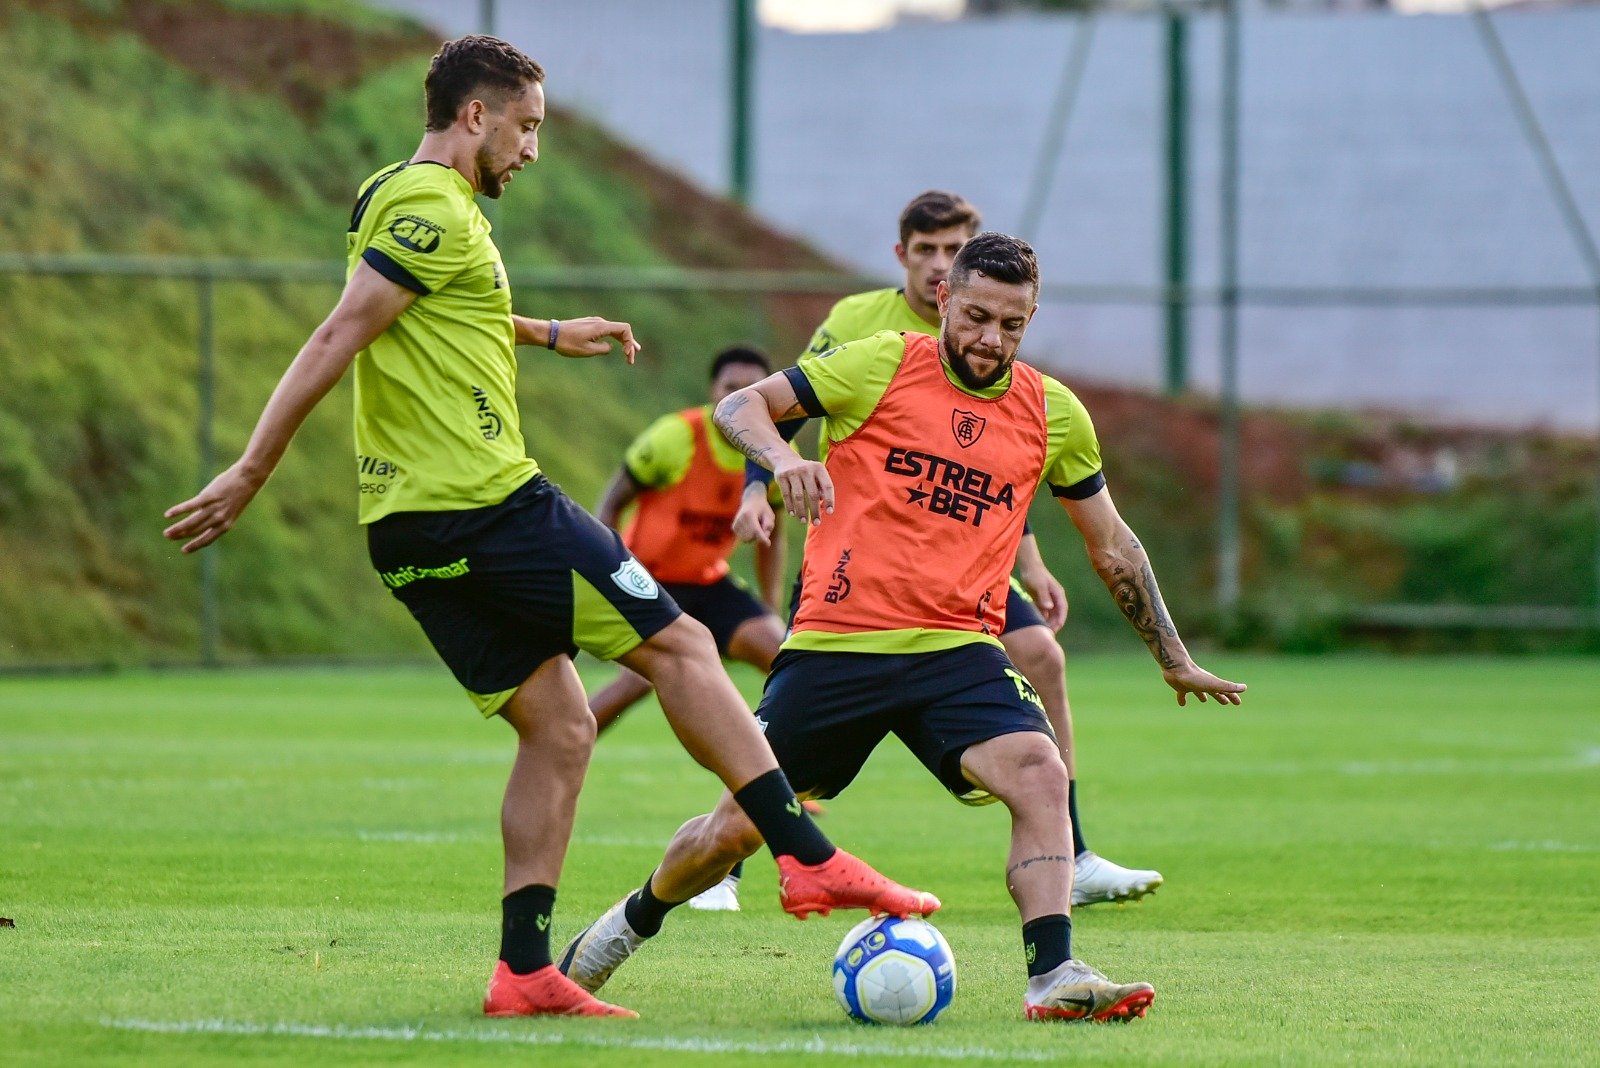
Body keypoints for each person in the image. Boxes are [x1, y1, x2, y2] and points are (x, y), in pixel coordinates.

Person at [161, 34, 936, 1021]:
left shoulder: (389, 194)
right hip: (482, 503)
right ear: (474, 115)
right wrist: (252, 467)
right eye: (525, 127)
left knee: (563, 727)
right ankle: (806, 855)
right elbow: (343, 328)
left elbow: (429, 310)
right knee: (684, 646)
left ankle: (523, 970)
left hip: (407, 529)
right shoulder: (431, 204)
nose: (532, 149)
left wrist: (548, 332)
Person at [558, 233, 1245, 1022]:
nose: (991, 339)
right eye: (976, 316)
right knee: (733, 832)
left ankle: (1054, 974)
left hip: (960, 649)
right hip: (837, 645)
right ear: (944, 299)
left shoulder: (1055, 413)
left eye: (1012, 325)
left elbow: (1113, 543)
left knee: (1040, 771)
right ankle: (625, 926)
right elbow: (741, 406)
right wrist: (783, 460)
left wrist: (1172, 656)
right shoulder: (880, 361)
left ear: (1030, 320)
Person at [734, 191, 1161, 907]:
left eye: (951, 248)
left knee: (1042, 661)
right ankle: (728, 861)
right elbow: (778, 407)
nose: (938, 263)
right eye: (926, 250)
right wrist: (762, 483)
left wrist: (1031, 563)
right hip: (862, 567)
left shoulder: (1019, 376)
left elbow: (995, 471)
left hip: (961, 574)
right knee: (763, 771)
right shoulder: (864, 331)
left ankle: (1073, 857)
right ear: (917, 269)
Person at [588, 345, 791, 912]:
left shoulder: (771, 452)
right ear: (713, 391)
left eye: (752, 387)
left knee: (786, 656)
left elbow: (771, 534)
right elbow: (611, 501)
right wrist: (607, 571)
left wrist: (768, 605)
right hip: (649, 578)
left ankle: (773, 773)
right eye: (730, 386)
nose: (740, 395)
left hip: (710, 582)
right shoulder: (676, 437)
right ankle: (565, 745)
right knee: (639, 682)